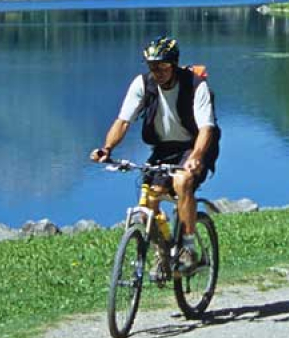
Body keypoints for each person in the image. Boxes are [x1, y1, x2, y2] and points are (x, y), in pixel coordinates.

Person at [91, 36, 219, 268]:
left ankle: (189, 248)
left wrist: (196, 158)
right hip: (164, 149)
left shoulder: (195, 85)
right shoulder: (143, 84)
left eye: (162, 67)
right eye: (152, 67)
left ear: (174, 64)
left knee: (182, 181)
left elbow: (207, 128)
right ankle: (163, 252)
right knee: (151, 194)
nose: (156, 72)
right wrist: (106, 148)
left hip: (195, 145)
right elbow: (123, 121)